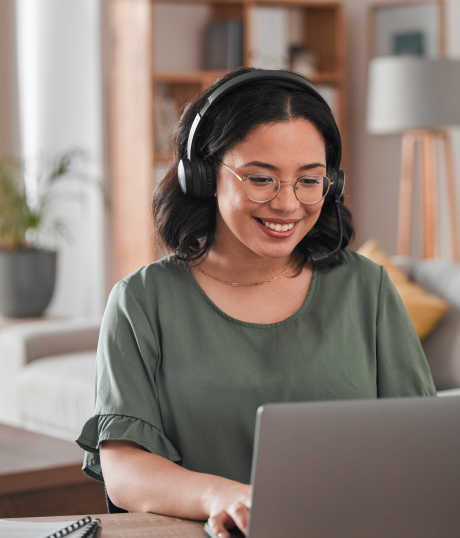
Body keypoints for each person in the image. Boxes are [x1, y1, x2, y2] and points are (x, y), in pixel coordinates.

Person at [76, 68, 435, 537]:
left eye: (309, 181)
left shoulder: (368, 289)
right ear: (202, 176)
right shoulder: (141, 301)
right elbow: (124, 469)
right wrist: (222, 496)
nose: (288, 204)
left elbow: (423, 445)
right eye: (261, 179)